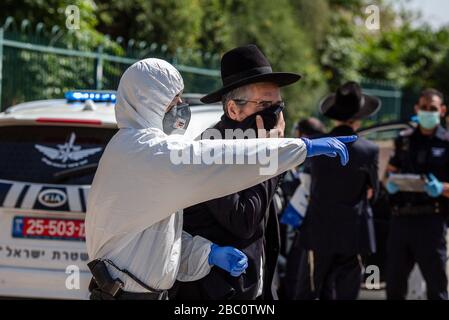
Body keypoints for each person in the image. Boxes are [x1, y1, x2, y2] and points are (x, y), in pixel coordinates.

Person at [85, 56, 357, 300]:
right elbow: (216, 158)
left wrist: (208, 254)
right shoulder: (144, 151)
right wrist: (297, 148)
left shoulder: (147, 153)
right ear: (150, 103)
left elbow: (158, 242)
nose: (181, 108)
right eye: (174, 101)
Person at [171, 44, 303, 300]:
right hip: (212, 295)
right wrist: (271, 157)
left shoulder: (252, 148)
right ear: (233, 110)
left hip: (253, 290)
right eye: (264, 104)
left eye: (278, 105)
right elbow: (244, 219)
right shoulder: (210, 152)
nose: (275, 115)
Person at [292, 81, 380, 300]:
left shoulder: (314, 143)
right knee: (347, 294)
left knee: (308, 292)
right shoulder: (369, 150)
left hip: (318, 231)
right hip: (353, 234)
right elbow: (373, 192)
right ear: (359, 118)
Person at [385, 88, 449, 300]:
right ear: (416, 109)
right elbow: (388, 175)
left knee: (436, 287)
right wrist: (390, 183)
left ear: (442, 110)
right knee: (394, 285)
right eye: (424, 108)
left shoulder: (446, 142)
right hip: (401, 220)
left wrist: (441, 188)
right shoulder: (404, 140)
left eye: (432, 108)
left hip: (432, 221)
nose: (428, 112)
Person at [279, 117, 326, 299]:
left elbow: (305, 190)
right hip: (324, 229)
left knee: (297, 278)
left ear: (304, 134)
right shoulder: (325, 152)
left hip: (307, 228)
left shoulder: (311, 156)